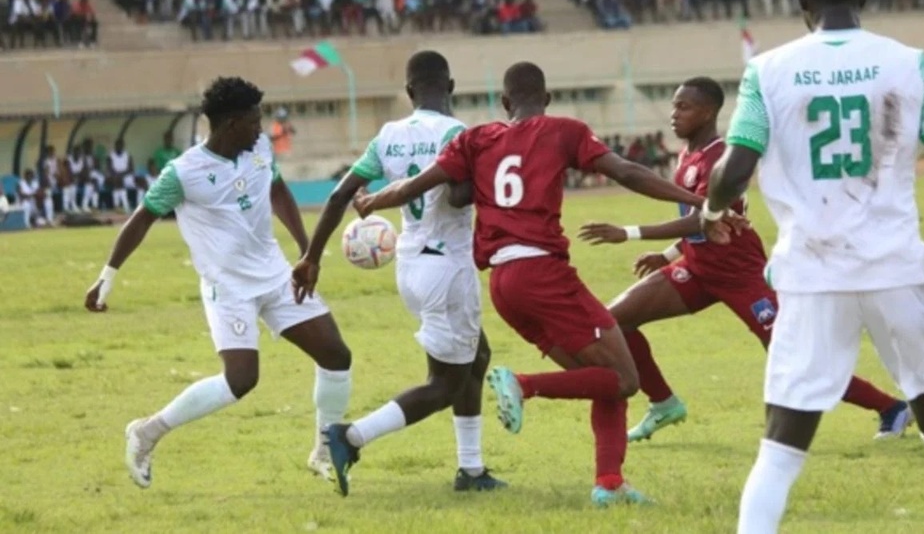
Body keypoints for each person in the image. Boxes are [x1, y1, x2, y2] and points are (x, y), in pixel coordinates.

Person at [353, 61, 739, 507]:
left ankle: (609, 485)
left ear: (503, 103)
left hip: (504, 285)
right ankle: (522, 383)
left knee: (603, 378)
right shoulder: (563, 130)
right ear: (548, 98)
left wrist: (370, 201)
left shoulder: (477, 138)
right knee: (625, 377)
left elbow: (412, 187)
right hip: (543, 275)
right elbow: (629, 173)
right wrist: (701, 202)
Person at [699, 0, 924, 531]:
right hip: (898, 272)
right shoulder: (913, 63)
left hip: (810, 276)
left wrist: (711, 210)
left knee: (780, 448)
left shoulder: (766, 70)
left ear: (803, 3)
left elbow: (733, 168)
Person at [578, 77, 911, 443]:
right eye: (674, 105)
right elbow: (699, 223)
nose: (674, 114)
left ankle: (891, 407)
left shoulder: (723, 157)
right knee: (615, 322)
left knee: (796, 358)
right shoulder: (687, 154)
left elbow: (706, 218)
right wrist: (670, 254)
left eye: (683, 107)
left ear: (708, 113)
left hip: (741, 276)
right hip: (697, 267)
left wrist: (628, 232)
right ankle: (663, 403)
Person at [84, 77, 353, 489]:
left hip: (276, 275)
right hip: (228, 289)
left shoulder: (259, 149)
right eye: (253, 121)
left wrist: (306, 252)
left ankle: (323, 450)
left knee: (336, 354)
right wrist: (107, 277)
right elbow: (142, 219)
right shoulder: (183, 172)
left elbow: (278, 191)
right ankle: (146, 432)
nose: (261, 129)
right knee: (241, 380)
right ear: (230, 124)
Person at [291, 50, 506, 497]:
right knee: (445, 383)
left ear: (409, 92)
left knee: (477, 357)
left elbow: (338, 196)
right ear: (450, 87)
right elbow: (463, 196)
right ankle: (349, 437)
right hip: (447, 265)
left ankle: (471, 469)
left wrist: (311, 257)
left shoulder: (387, 136)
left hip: (408, 264)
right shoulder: (456, 132)